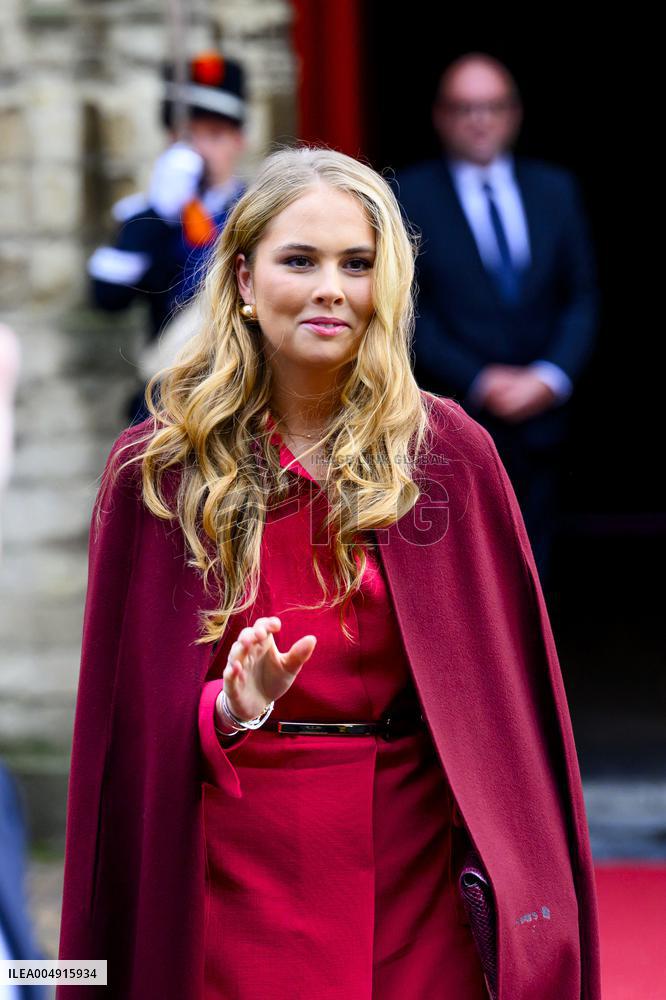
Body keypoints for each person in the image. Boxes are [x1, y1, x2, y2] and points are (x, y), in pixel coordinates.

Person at [57, 147, 601, 999]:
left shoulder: (450, 454)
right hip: (234, 875)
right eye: (299, 260)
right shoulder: (158, 472)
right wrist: (233, 705)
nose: (331, 289)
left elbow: (505, 711)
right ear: (242, 279)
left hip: (418, 875)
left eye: (357, 263)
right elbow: (128, 728)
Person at [394, 52, 599, 586]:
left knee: (537, 567)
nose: (479, 119)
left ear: (514, 114)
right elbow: (407, 310)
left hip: (544, 420)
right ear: (440, 116)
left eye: (492, 106)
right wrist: (480, 380)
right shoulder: (406, 195)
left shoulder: (555, 189)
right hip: (454, 416)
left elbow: (581, 296)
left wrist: (550, 376)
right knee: (462, 572)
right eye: (464, 107)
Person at [87, 51, 248, 423]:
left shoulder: (257, 211)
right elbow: (107, 298)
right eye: (189, 136)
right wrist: (158, 213)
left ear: (237, 140)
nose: (202, 150)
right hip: (169, 395)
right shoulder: (146, 215)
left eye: (215, 135)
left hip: (242, 393)